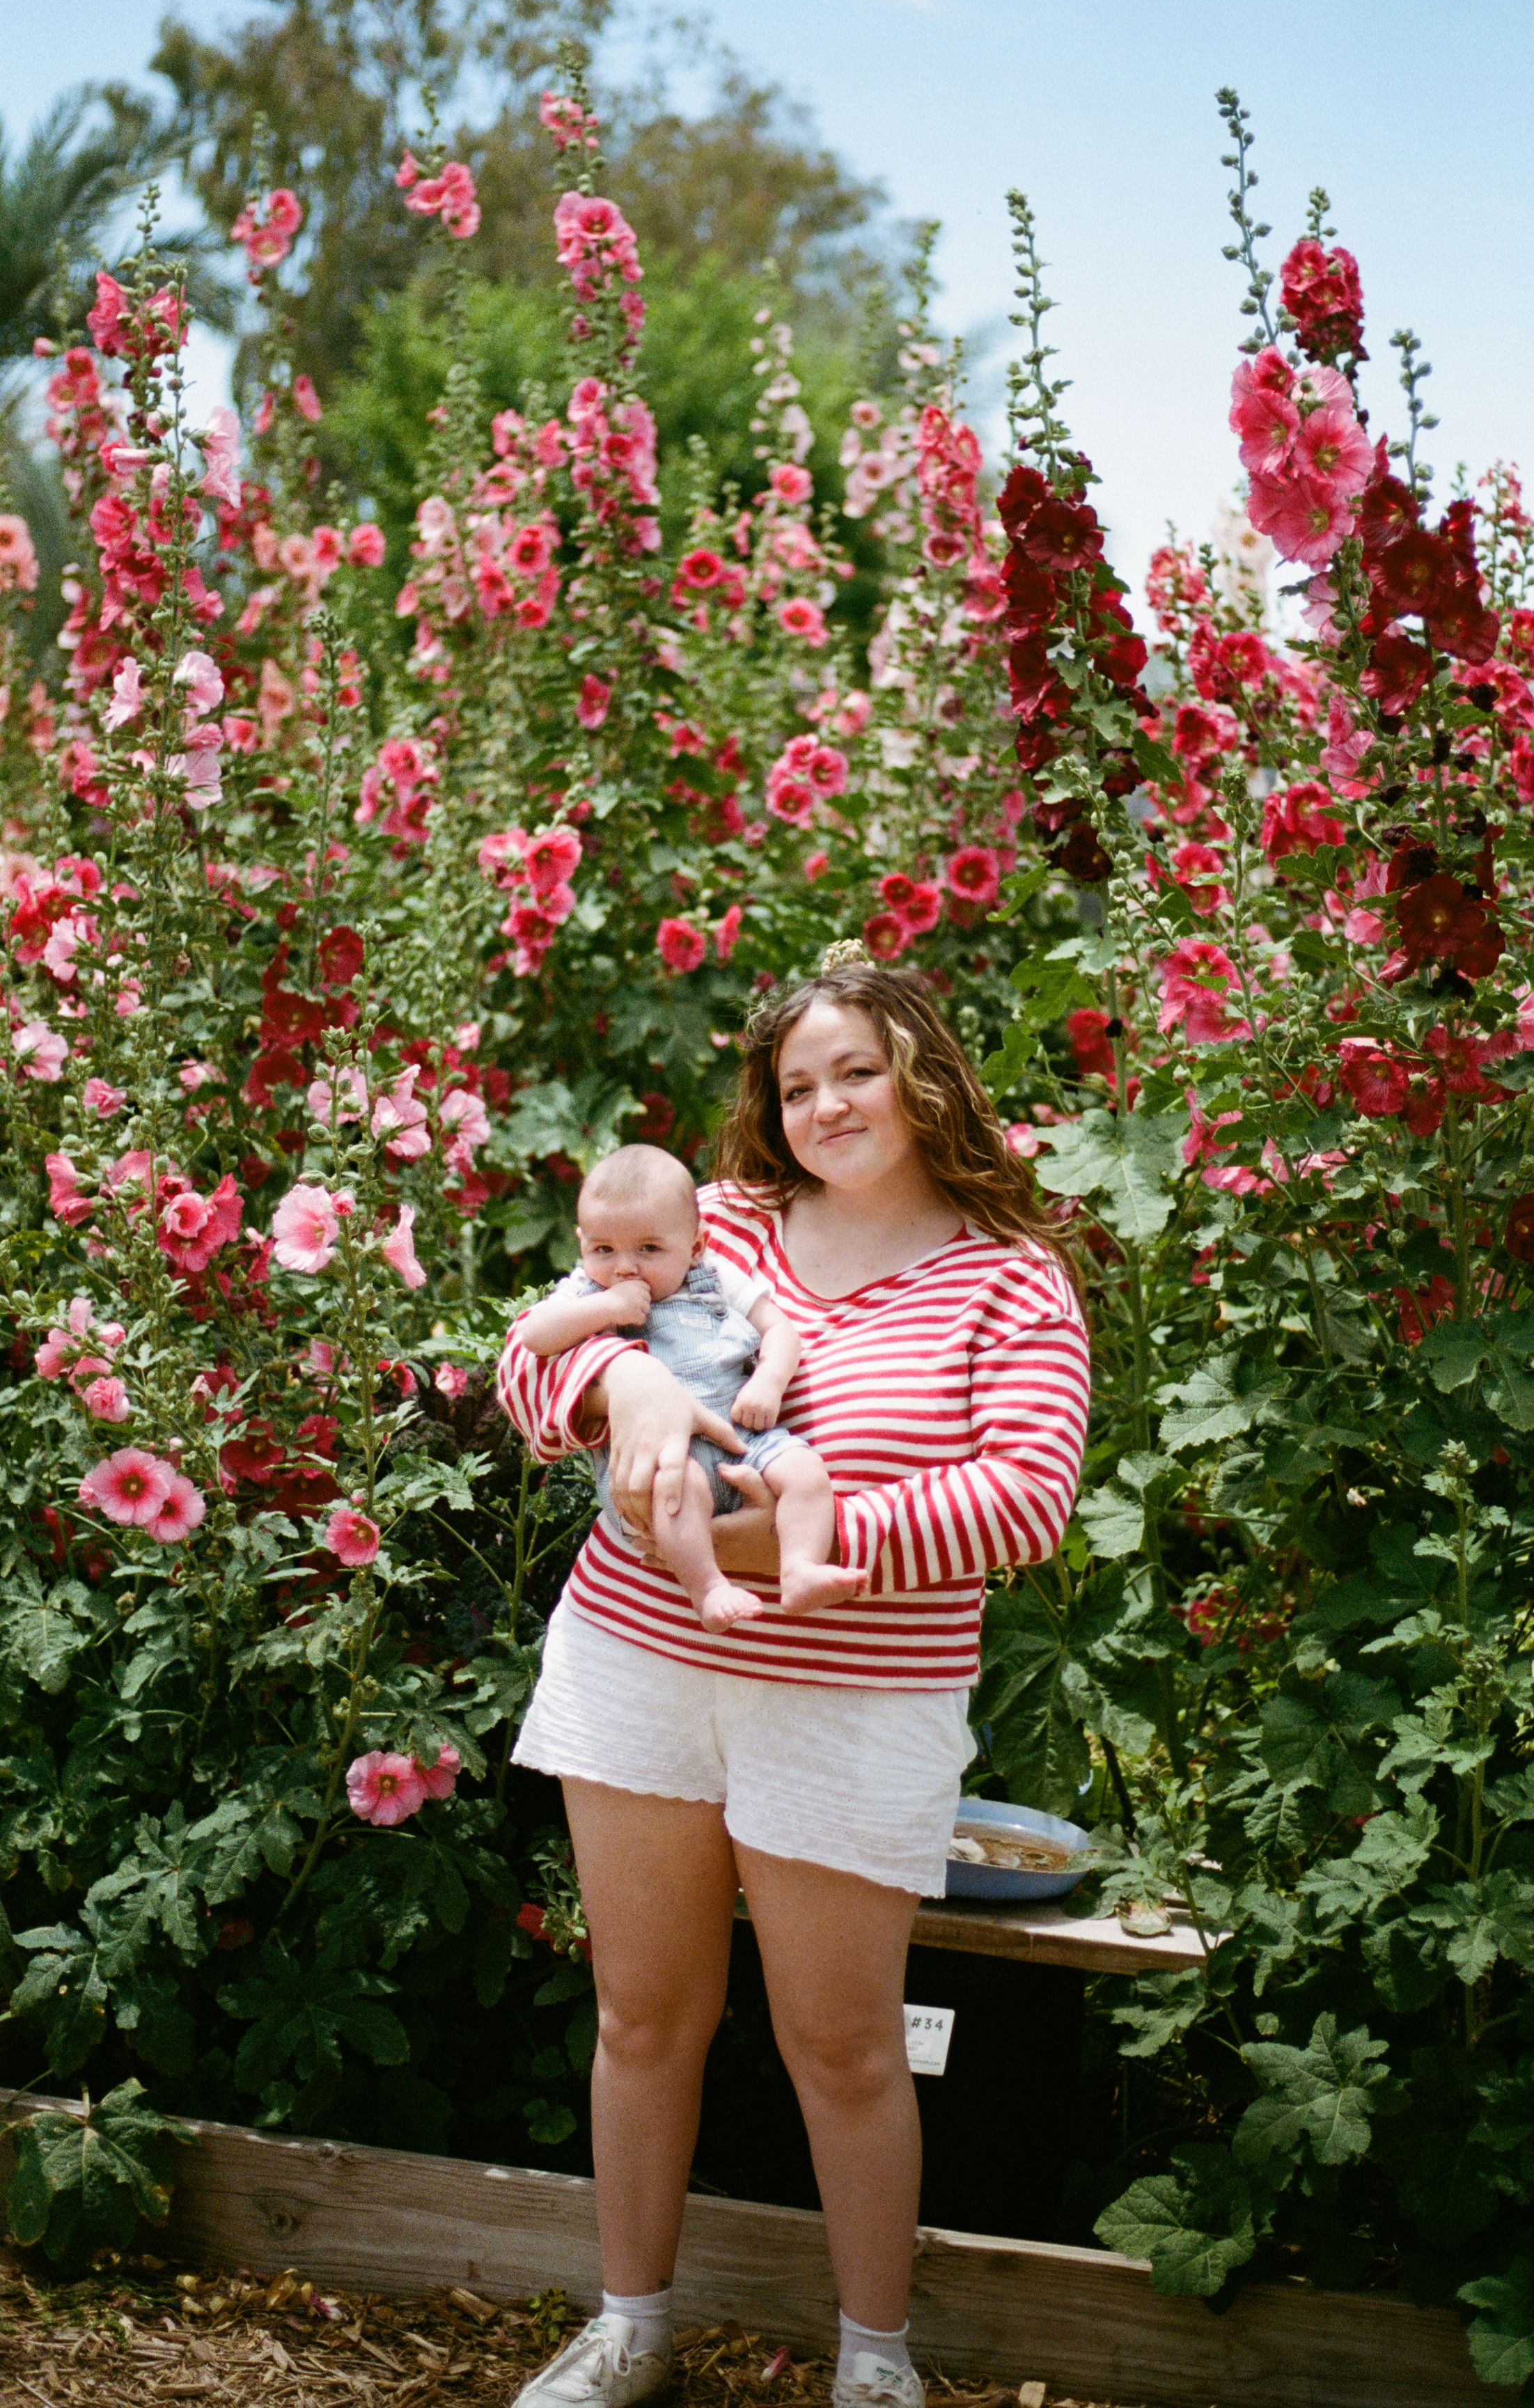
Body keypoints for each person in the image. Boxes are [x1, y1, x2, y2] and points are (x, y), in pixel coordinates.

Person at [497, 945, 1090, 2408]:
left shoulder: (1007, 1281)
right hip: (640, 1658)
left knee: (841, 2045)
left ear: (923, 1074)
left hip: (855, 1698)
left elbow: (1024, 1498)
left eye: (858, 1072)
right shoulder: (723, 1225)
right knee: (642, 2014)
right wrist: (621, 1379)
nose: (827, 1103)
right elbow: (526, 1366)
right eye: (798, 1081)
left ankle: (872, 2364)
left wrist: (777, 1542)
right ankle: (629, 2327)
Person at [515, 1142, 862, 1629]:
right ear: (582, 1243)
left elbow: (780, 1330)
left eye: (649, 1249)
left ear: (696, 1246)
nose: (625, 1267)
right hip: (659, 1462)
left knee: (805, 1472)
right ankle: (708, 1588)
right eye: (603, 1249)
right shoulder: (589, 1291)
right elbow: (534, 1335)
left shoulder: (715, 1277)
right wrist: (607, 1310)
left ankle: (801, 1566)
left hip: (745, 1438)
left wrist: (768, 1380)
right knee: (679, 1491)